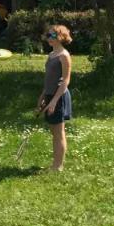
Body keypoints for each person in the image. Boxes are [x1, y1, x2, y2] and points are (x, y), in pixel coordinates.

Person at [37, 24, 73, 172]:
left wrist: (54, 101)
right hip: (50, 95)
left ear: (60, 37)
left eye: (52, 36)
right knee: (54, 132)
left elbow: (65, 80)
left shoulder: (64, 55)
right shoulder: (52, 55)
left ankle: (58, 166)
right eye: (48, 35)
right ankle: (55, 164)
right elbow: (49, 79)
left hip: (59, 96)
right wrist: (42, 97)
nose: (48, 38)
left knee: (59, 133)